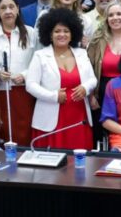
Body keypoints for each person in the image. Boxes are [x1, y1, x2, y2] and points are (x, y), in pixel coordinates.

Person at [26, 8, 97, 150]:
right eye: (57, 31)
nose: (62, 35)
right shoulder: (40, 56)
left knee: (79, 158)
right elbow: (30, 85)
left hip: (78, 116)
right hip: (50, 118)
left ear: (72, 34)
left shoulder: (82, 53)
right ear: (50, 34)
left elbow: (92, 79)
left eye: (66, 31)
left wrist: (85, 88)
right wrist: (53, 96)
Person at [0, 0, 39, 144]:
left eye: (11, 7)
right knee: (4, 131)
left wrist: (25, 75)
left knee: (24, 130)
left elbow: (37, 61)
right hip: (0, 92)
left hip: (24, 92)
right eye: (3, 8)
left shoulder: (30, 32)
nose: (8, 11)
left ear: (17, 9)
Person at [87, 3, 121, 143]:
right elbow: (88, 69)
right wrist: (91, 96)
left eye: (119, 14)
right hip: (102, 92)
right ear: (106, 19)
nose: (115, 18)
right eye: (111, 15)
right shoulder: (97, 41)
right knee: (101, 134)